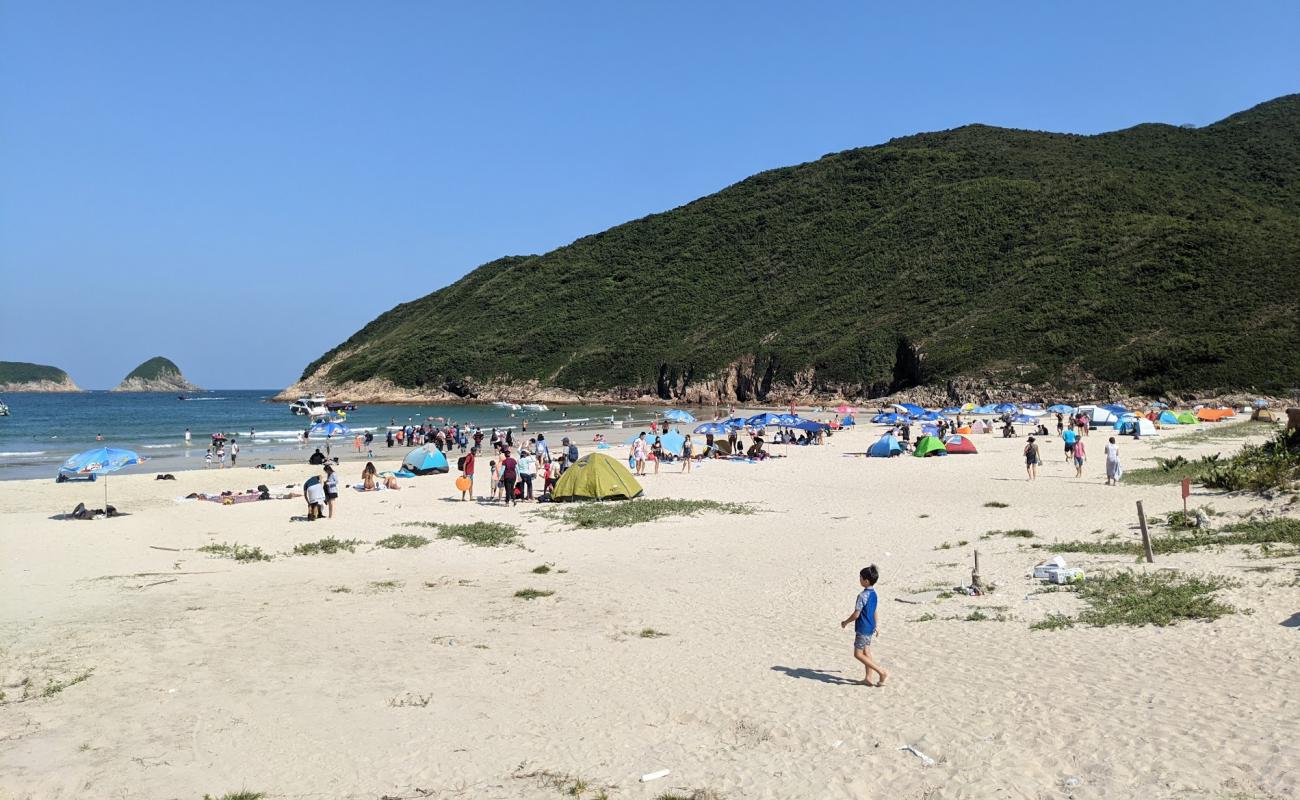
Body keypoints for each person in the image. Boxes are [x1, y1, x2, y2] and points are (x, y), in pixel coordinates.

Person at [840, 565, 888, 687]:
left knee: (858, 654)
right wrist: (876, 625)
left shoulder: (862, 595)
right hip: (871, 626)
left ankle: (881, 672)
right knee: (867, 651)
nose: (859, 579)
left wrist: (845, 622)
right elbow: (874, 611)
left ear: (866, 581)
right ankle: (868, 678)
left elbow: (856, 614)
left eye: (860, 578)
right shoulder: (874, 594)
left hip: (863, 627)